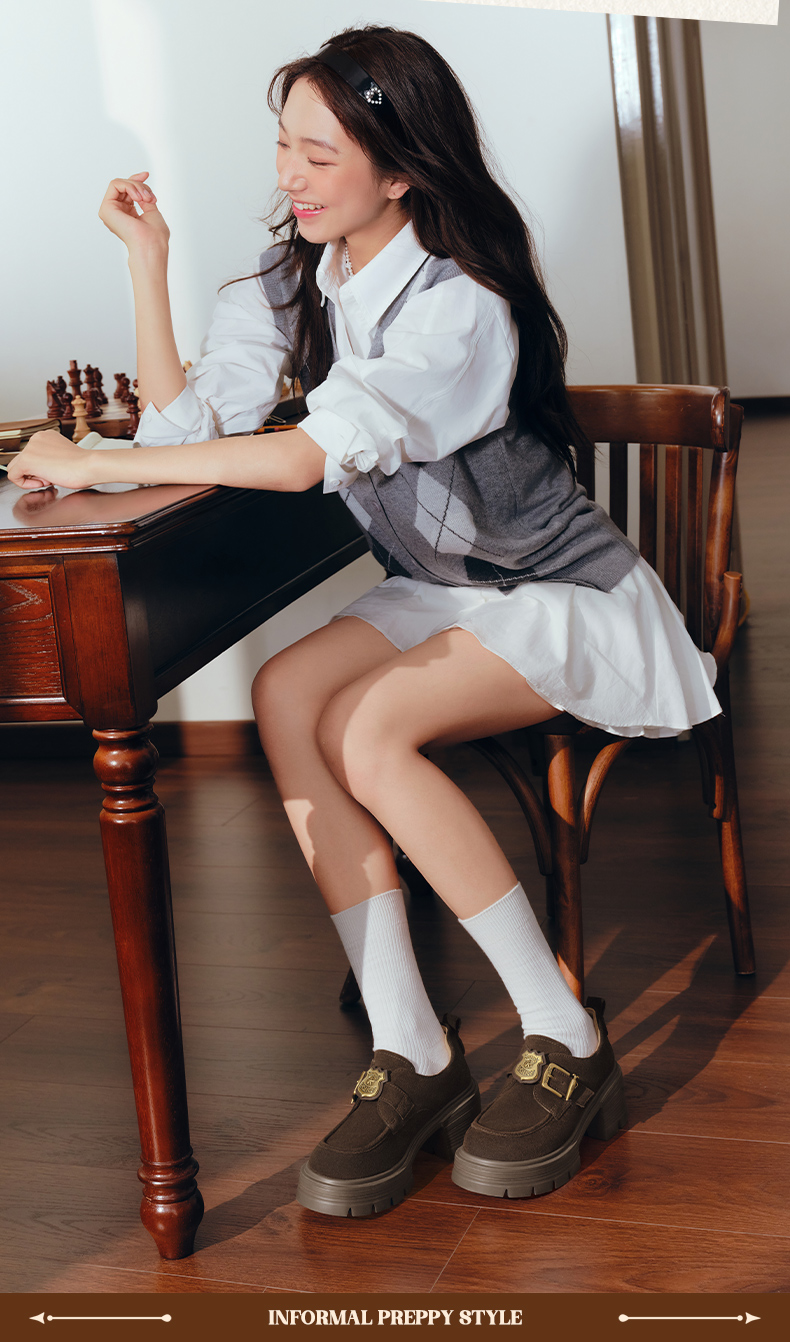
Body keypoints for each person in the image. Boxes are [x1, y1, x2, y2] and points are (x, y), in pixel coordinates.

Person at [10, 25, 722, 1218]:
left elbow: (301, 459)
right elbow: (185, 436)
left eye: (320, 153)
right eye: (282, 145)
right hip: (444, 588)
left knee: (370, 730)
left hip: (556, 595)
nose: (289, 174)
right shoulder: (296, 279)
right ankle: (412, 1045)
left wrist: (86, 460)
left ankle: (563, 1030)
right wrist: (148, 264)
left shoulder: (460, 306)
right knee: (285, 693)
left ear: (399, 170)